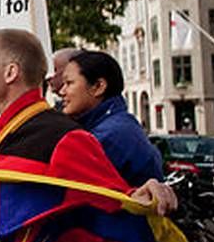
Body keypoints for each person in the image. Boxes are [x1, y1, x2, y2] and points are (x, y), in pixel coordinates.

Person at [0, 29, 175, 214]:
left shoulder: (64, 137)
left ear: (10, 72)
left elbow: (115, 202)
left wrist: (148, 194)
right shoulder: (1, 136)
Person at [59, 50, 164, 187]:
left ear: (98, 87)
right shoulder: (117, 125)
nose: (62, 91)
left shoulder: (110, 136)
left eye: (69, 83)